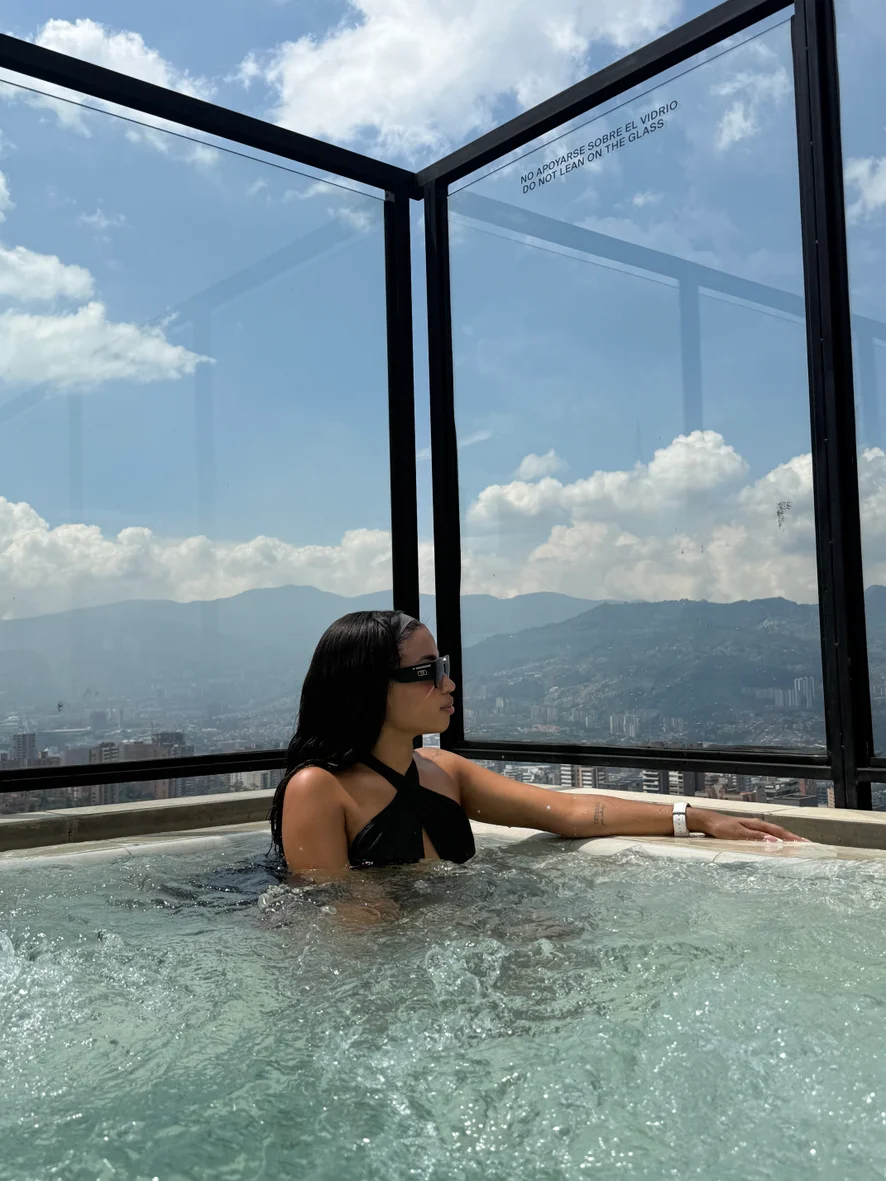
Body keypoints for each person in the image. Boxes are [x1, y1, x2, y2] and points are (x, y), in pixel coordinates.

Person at [269, 610, 807, 879]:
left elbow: (567, 812)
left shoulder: (442, 770)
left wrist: (696, 817)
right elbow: (336, 931)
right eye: (428, 671)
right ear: (369, 687)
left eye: (444, 666)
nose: (449, 684)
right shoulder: (318, 789)